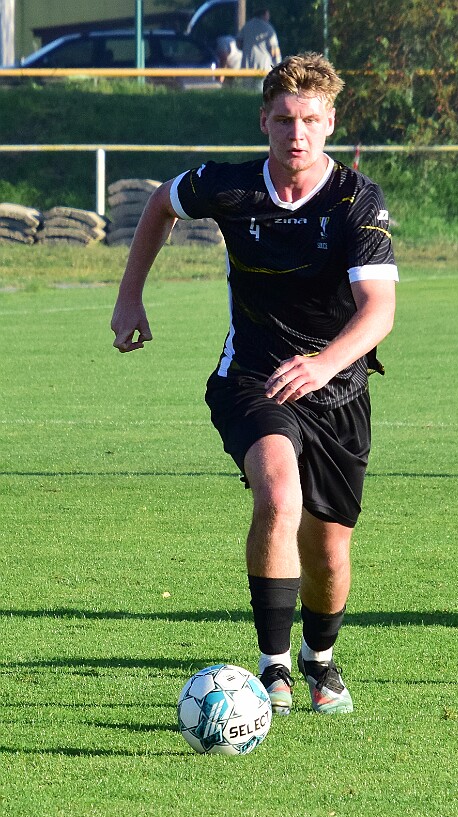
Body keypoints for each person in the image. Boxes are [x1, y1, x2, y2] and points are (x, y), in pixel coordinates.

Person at [111, 53, 398, 715]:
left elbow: (378, 311)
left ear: (330, 123)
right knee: (276, 491)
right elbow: (160, 203)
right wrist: (129, 297)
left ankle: (319, 658)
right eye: (285, 119)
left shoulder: (356, 200)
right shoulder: (230, 185)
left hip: (337, 390)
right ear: (263, 120)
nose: (298, 133)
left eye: (311, 120)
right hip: (253, 377)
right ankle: (273, 669)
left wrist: (324, 363)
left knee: (328, 550)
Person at [237, 5, 281, 89]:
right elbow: (274, 50)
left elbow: (238, 44)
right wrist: (278, 66)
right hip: (263, 67)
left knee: (246, 92)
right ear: (264, 14)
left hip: (247, 66)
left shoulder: (247, 26)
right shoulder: (268, 28)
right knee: (261, 92)